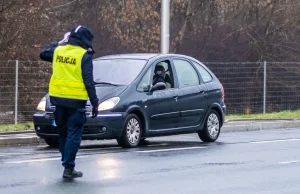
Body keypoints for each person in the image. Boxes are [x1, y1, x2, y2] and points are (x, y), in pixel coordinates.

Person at [40, 25, 99, 178]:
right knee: (74, 135)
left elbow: (43, 53)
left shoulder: (58, 51)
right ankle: (68, 167)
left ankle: (66, 163)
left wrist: (60, 42)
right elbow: (88, 81)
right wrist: (95, 102)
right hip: (76, 102)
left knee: (63, 133)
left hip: (58, 100)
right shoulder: (84, 56)